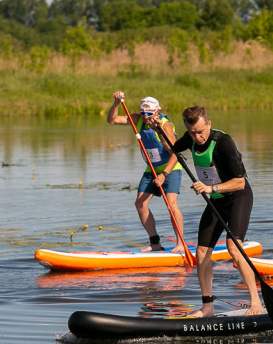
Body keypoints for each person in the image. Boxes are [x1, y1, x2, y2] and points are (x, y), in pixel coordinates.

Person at [160, 105, 264, 318]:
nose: (197, 137)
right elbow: (173, 148)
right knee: (201, 253)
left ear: (209, 124)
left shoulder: (224, 143)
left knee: (234, 248)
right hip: (216, 201)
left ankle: (256, 302)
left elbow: (240, 183)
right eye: (192, 133)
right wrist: (157, 128)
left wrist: (210, 188)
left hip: (237, 197)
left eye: (201, 131)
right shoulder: (190, 138)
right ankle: (208, 307)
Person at [106, 91, 185, 252]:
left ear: (157, 112)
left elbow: (176, 153)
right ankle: (155, 242)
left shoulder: (164, 124)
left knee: (171, 203)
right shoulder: (138, 120)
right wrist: (116, 103)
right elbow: (112, 120)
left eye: (149, 114)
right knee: (140, 204)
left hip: (171, 167)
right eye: (143, 113)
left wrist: (164, 175)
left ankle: (180, 244)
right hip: (152, 168)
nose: (145, 117)